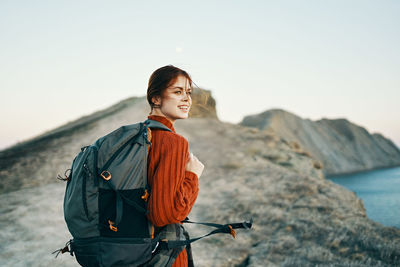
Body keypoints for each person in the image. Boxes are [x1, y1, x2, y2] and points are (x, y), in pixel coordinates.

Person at [146, 65, 205, 267]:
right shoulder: (174, 142)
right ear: (156, 98)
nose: (187, 99)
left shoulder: (142, 135)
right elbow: (165, 214)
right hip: (161, 257)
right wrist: (192, 176)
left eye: (188, 93)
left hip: (133, 251)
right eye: (177, 92)